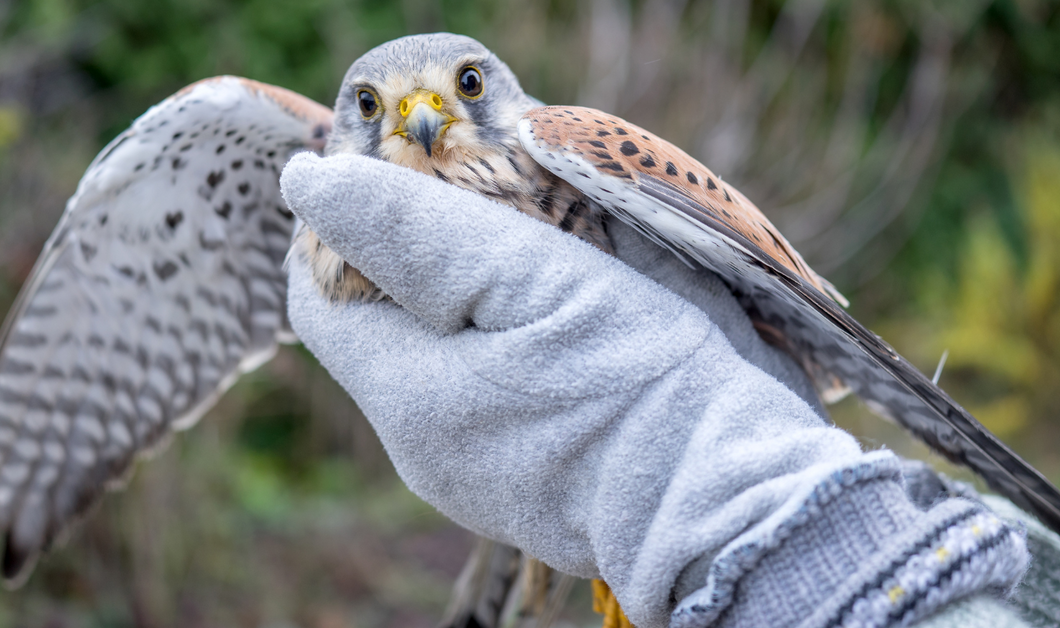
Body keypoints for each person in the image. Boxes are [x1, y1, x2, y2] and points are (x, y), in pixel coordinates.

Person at [280, 151, 1060, 628]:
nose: (425, 122)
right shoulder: (341, 191)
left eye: (466, 86)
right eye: (379, 107)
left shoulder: (561, 148)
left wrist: (743, 513)